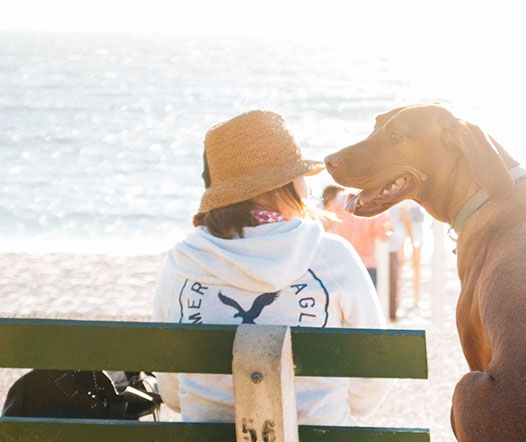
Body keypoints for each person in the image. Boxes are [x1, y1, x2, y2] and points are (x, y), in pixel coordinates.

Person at [152, 110, 390, 425]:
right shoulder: (331, 256)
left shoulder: (182, 261)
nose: (306, 187)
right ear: (279, 185)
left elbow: (171, 392)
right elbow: (373, 372)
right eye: (300, 175)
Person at [325, 189, 391, 286]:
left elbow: (326, 225)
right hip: (366, 266)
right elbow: (383, 237)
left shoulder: (339, 200)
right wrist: (390, 231)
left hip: (343, 264)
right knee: (367, 300)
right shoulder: (376, 202)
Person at [386, 200, 425, 319]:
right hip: (405, 225)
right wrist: (413, 239)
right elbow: (404, 215)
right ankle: (408, 298)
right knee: (408, 265)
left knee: (410, 265)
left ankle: (410, 298)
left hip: (408, 225)